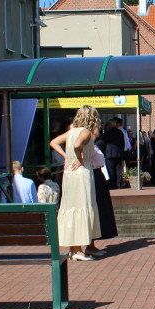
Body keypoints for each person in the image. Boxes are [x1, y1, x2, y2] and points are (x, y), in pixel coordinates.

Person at [49, 105, 102, 261]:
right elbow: (77, 145)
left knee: (71, 207)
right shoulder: (85, 132)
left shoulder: (71, 132)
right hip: (82, 173)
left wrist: (67, 157)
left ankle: (75, 249)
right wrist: (78, 158)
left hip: (69, 174)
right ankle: (79, 250)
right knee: (83, 206)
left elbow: (54, 142)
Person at [89, 123, 118, 243]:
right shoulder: (90, 144)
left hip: (99, 175)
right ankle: (89, 243)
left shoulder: (95, 144)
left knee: (102, 208)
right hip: (93, 175)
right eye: (97, 128)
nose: (99, 129)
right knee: (97, 207)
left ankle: (93, 244)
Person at [102, 119, 126, 190]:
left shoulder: (108, 132)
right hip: (119, 153)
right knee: (119, 170)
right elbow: (123, 143)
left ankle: (112, 185)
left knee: (110, 170)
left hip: (110, 153)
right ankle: (118, 184)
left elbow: (104, 141)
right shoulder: (120, 132)